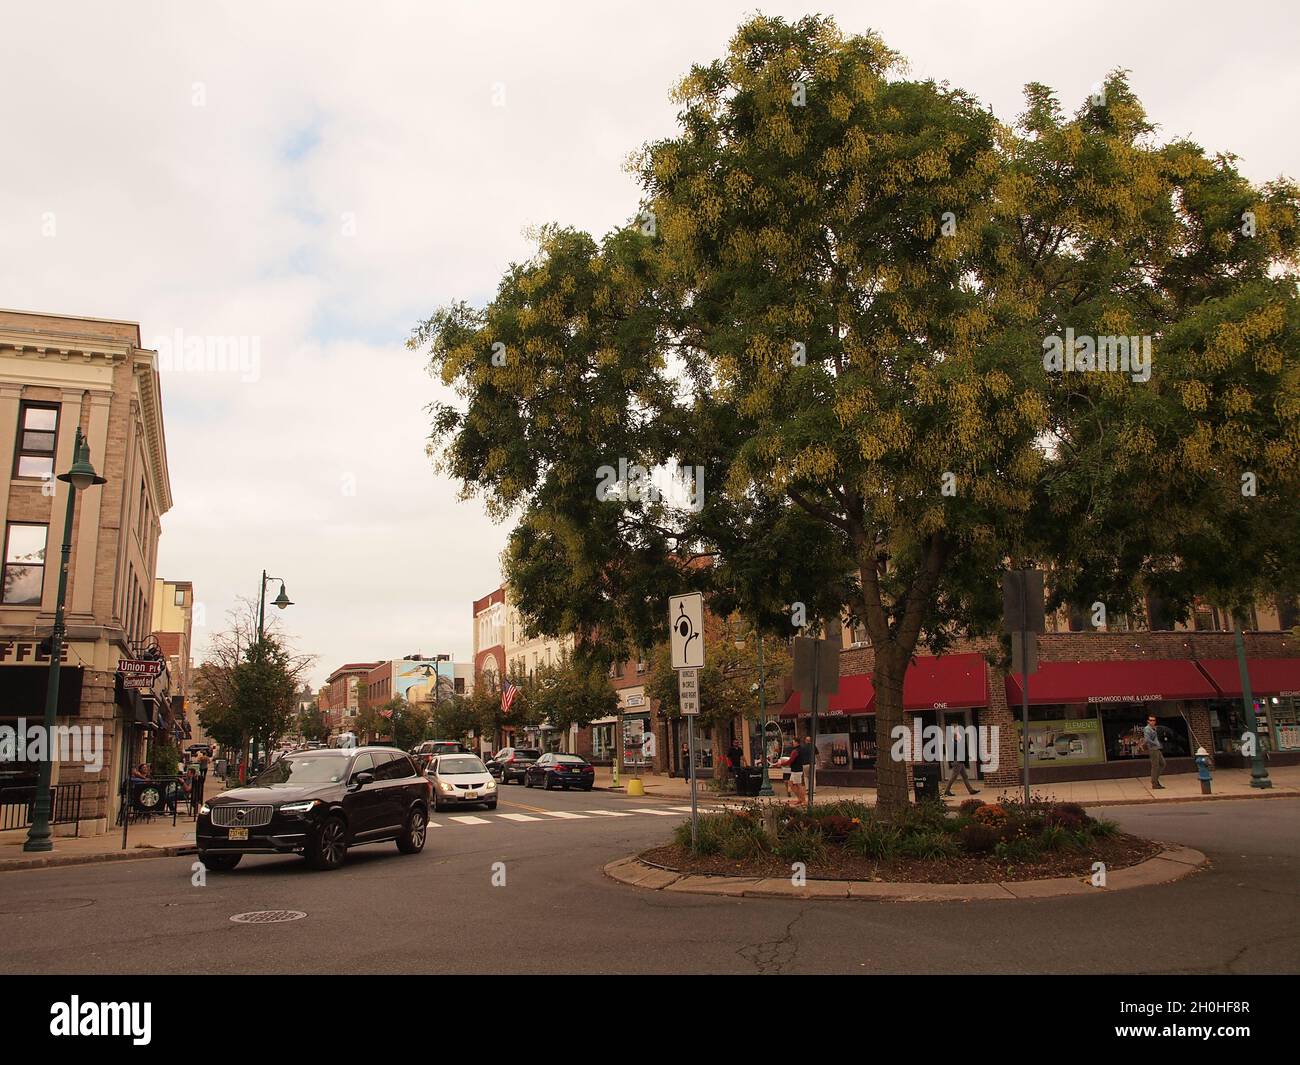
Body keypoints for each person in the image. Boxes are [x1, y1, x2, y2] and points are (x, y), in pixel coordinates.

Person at [787, 735, 812, 805]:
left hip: (796, 770)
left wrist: (781, 763)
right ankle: (800, 798)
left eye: (793, 742)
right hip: (796, 769)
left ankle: (803, 799)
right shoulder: (800, 748)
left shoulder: (796, 750)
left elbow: (791, 760)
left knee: (798, 785)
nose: (793, 743)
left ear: (796, 742)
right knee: (791, 784)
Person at [1143, 714, 1165, 789]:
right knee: (1155, 766)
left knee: (1163, 764)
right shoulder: (1147, 729)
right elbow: (1147, 739)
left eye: (1154, 720)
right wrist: (1155, 743)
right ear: (1148, 721)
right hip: (1153, 749)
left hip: (1157, 748)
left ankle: (1155, 779)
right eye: (1151, 720)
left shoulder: (1154, 728)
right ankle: (1154, 783)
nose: (1152, 722)